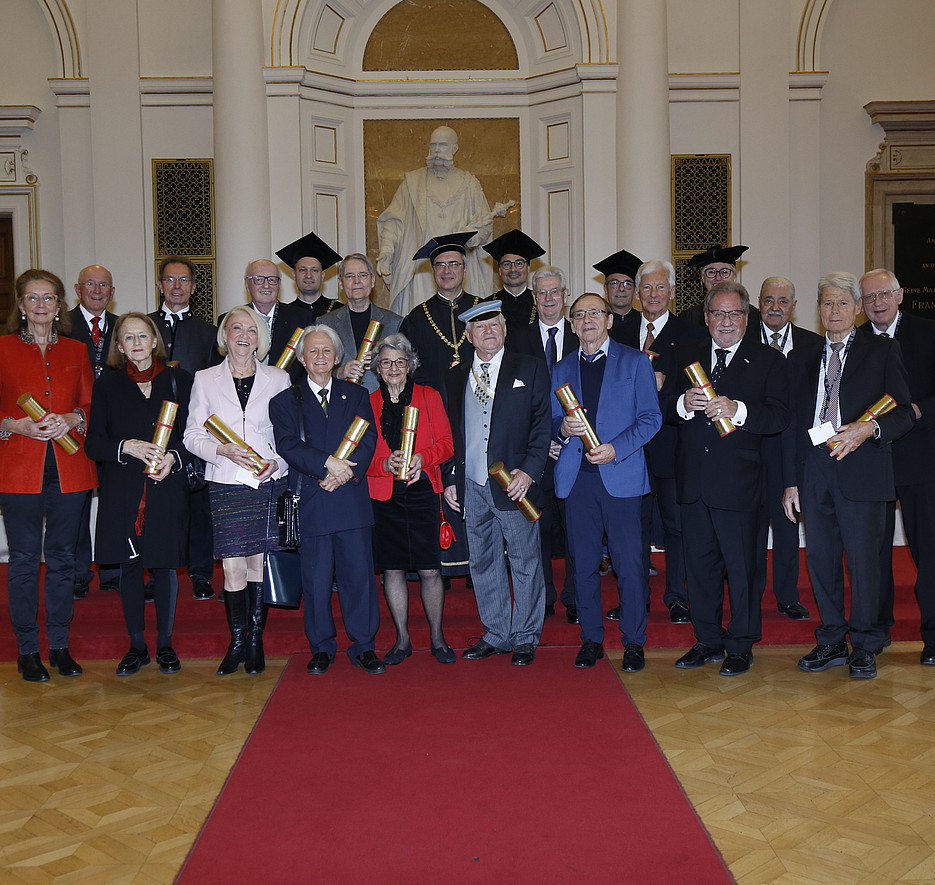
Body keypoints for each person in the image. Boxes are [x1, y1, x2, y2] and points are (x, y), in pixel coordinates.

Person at [783, 272, 913, 679]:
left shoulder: (882, 350)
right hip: (815, 468)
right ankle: (832, 638)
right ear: (818, 311)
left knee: (863, 562)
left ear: (857, 308)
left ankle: (866, 642)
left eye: (842, 303)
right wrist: (791, 480)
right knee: (820, 559)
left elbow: (905, 411)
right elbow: (791, 424)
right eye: (827, 304)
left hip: (862, 464)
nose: (834, 311)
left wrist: (868, 428)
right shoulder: (802, 356)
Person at [663, 280, 789, 676]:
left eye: (734, 313)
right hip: (695, 484)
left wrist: (740, 409)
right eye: (718, 313)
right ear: (706, 318)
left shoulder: (768, 360)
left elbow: (779, 416)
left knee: (743, 568)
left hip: (741, 485)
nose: (726, 321)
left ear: (747, 318)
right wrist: (682, 404)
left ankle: (740, 643)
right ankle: (707, 640)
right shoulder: (686, 354)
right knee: (698, 567)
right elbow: (662, 408)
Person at [552, 293, 661, 671]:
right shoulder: (561, 368)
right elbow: (551, 421)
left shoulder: (635, 362)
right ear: (571, 324)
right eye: (579, 315)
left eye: (595, 313)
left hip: (622, 477)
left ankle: (633, 641)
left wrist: (617, 448)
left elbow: (651, 418)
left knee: (629, 565)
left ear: (609, 320)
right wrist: (562, 428)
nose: (587, 321)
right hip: (577, 481)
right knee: (582, 565)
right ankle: (592, 639)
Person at [0, 269, 97, 682]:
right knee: (23, 560)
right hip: (19, 469)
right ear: (21, 306)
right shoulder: (2, 348)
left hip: (69, 467)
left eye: (49, 298)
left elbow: (92, 406)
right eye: (32, 298)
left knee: (62, 560)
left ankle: (59, 645)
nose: (41, 305)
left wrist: (73, 417)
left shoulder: (77, 350)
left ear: (60, 306)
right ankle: (27, 650)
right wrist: (13, 424)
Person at [270, 326, 383, 675]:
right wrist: (327, 465)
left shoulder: (357, 394)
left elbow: (368, 439)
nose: (320, 357)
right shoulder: (285, 401)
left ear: (337, 358)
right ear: (302, 359)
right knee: (315, 580)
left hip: (349, 498)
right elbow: (288, 445)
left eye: (327, 351)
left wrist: (343, 473)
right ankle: (321, 647)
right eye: (313, 352)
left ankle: (363, 645)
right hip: (312, 501)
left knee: (358, 578)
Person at [183, 307, 290, 675]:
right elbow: (192, 433)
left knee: (258, 564)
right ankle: (238, 641)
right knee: (231, 568)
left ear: (260, 339)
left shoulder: (278, 379)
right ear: (224, 335)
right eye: (236, 329)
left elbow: (287, 435)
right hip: (227, 480)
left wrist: (277, 462)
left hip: (265, 481)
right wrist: (220, 449)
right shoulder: (205, 379)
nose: (244, 336)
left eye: (252, 330)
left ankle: (256, 640)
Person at [85, 313, 194, 676]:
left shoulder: (179, 380)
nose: (136, 343)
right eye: (128, 337)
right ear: (118, 346)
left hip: (166, 487)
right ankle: (137, 645)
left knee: (164, 567)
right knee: (130, 568)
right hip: (124, 491)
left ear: (154, 341)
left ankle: (165, 644)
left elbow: (193, 437)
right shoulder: (108, 385)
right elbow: (94, 443)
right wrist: (125, 446)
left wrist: (175, 458)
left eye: (142, 336)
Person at [443, 301, 551, 666]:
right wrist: (452, 478)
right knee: (483, 561)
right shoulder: (456, 376)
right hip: (471, 483)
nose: (488, 332)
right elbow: (454, 435)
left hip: (513, 483)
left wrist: (529, 471)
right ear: (469, 336)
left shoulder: (530, 368)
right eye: (480, 327)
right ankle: (496, 633)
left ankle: (525, 636)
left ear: (505, 329)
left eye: (494, 325)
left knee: (525, 561)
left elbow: (541, 426)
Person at [859, 267, 935, 664]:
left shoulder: (928, 332)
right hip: (873, 461)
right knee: (872, 553)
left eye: (884, 294)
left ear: (900, 294)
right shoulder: (853, 341)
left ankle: (934, 639)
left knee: (930, 552)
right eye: (869, 298)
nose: (877, 303)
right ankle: (875, 632)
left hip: (923, 461)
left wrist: (917, 412)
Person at [366, 333, 456, 664]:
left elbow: (447, 443)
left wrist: (424, 458)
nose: (393, 368)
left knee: (431, 570)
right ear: (377, 367)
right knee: (392, 570)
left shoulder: (428, 396)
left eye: (399, 362)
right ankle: (402, 640)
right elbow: (360, 456)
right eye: (386, 362)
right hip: (385, 495)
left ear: (410, 365)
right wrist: (382, 464)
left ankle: (437, 638)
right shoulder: (368, 402)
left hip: (422, 493)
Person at [631, 259, 707, 624]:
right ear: (637, 293)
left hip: (671, 445)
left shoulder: (690, 334)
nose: (653, 294)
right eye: (646, 288)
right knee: (633, 527)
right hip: (628, 448)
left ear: (672, 292)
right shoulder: (621, 330)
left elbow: (695, 389)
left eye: (660, 287)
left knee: (676, 526)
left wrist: (662, 386)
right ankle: (635, 598)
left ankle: (677, 596)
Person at [506, 266, 579, 622]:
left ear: (565, 295)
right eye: (542, 293)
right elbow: (514, 403)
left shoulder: (584, 333)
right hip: (534, 452)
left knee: (578, 528)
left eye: (555, 292)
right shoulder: (517, 340)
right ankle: (545, 597)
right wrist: (544, 439)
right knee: (538, 529)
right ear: (534, 298)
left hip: (578, 447)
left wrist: (565, 434)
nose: (549, 299)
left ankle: (576, 597)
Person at [376, 125, 512, 315]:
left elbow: (484, 225)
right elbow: (394, 221)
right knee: (419, 321)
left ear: (454, 149)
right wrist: (387, 251)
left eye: (442, 145)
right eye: (433, 146)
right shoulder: (412, 182)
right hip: (421, 269)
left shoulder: (469, 183)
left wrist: (472, 238)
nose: (437, 151)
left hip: (460, 267)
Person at [747, 276, 821, 620]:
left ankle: (788, 596)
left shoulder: (814, 345)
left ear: (793, 305)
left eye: (782, 301)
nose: (774, 307)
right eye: (768, 300)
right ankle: (750, 594)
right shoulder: (742, 341)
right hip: (750, 449)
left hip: (793, 451)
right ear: (759, 303)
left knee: (788, 523)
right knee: (751, 526)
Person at [149, 255, 218, 601]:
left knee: (199, 502)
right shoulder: (144, 326)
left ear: (193, 287)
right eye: (170, 280)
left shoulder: (208, 331)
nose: (176, 286)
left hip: (195, 426)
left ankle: (200, 572)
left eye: (183, 280)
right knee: (158, 501)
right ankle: (157, 569)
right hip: (152, 426)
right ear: (160, 285)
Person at [65, 264, 119, 598]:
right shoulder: (62, 326)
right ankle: (78, 574)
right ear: (78, 288)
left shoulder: (123, 327)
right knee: (78, 503)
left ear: (112, 292)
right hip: (75, 428)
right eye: (90, 284)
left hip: (114, 430)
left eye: (104, 285)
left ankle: (113, 570)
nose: (97, 290)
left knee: (114, 502)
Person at [399, 231, 487, 394]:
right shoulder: (416, 318)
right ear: (433, 270)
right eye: (440, 264)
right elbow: (406, 369)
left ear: (465, 269)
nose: (447, 270)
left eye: (454, 264)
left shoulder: (483, 310)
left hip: (480, 399)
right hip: (432, 404)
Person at [316, 253, 402, 393]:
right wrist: (340, 372)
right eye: (349, 276)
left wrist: (382, 363)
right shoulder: (325, 323)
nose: (357, 281)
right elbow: (315, 370)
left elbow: (405, 368)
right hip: (342, 402)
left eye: (363, 275)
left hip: (383, 402)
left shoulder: (394, 322)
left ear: (372, 281)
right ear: (340, 283)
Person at [238, 258, 308, 372]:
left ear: (279, 284)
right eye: (259, 280)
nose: (266, 285)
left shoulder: (301, 319)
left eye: (272, 280)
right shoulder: (232, 321)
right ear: (247, 285)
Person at [483, 229, 545, 331]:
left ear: (528, 268)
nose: (513, 269)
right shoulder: (486, 305)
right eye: (507, 264)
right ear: (499, 270)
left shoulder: (541, 302)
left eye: (519, 263)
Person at [680, 245, 758, 327]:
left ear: (734, 276)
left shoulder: (752, 315)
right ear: (703, 278)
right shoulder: (689, 318)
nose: (717, 277)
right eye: (711, 272)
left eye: (724, 272)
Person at [276, 230, 343, 320]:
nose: (308, 275)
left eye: (314, 270)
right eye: (302, 270)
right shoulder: (284, 315)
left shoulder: (340, 311)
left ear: (322, 275)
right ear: (294, 274)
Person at [593, 248, 643, 347]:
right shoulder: (596, 322)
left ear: (635, 290)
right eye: (614, 283)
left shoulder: (644, 324)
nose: (621, 288)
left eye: (627, 284)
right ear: (606, 289)